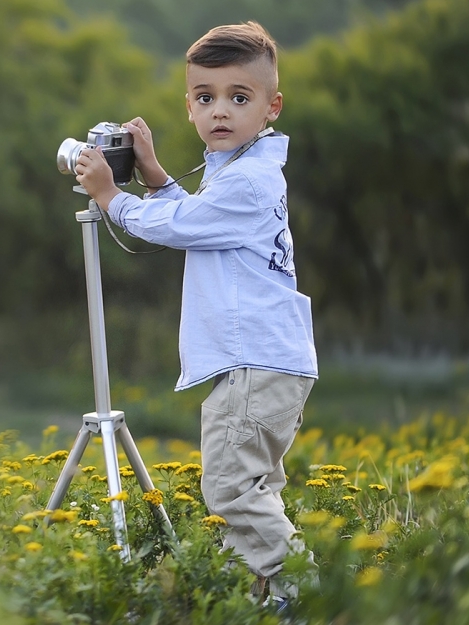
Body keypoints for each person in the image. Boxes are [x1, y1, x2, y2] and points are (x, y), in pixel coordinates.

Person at [73, 22, 317, 605]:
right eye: (205, 98)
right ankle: (266, 595)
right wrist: (155, 175)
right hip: (268, 360)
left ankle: (305, 595)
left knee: (232, 490)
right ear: (188, 106)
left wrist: (112, 196)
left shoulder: (249, 182)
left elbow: (179, 227)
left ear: (271, 107)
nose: (220, 112)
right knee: (255, 488)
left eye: (240, 97)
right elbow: (200, 220)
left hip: (251, 363)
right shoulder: (239, 170)